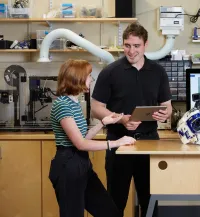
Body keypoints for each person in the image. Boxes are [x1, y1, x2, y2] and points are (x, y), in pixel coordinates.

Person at [91, 22, 172, 217]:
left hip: (149, 142)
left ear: (145, 45)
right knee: (115, 202)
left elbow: (167, 105)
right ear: (123, 44)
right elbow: (96, 108)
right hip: (118, 143)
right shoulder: (110, 72)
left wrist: (166, 113)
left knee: (150, 201)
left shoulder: (158, 72)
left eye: (136, 46)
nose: (131, 51)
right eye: (127, 45)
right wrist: (121, 119)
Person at [49, 59, 136, 217]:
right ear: (79, 78)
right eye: (89, 76)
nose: (91, 79)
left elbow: (83, 138)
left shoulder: (74, 103)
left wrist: (103, 122)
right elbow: (80, 144)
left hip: (82, 164)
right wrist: (117, 143)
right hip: (68, 166)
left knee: (110, 213)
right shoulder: (62, 104)